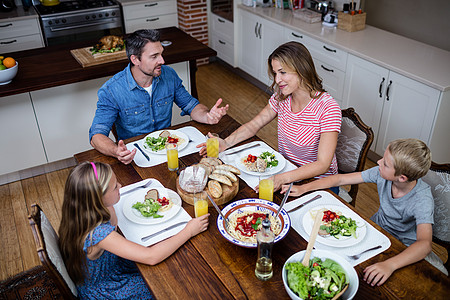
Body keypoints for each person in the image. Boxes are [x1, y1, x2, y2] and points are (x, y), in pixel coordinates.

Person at [281, 138, 433, 286]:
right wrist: (303, 188)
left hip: (402, 247)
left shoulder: (422, 199)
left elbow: (424, 244)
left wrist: (390, 265)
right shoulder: (382, 173)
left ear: (402, 178)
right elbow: (340, 180)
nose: (378, 162)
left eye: (385, 163)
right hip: (376, 231)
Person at [199, 41, 341, 192]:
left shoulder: (328, 108)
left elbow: (323, 164)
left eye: (283, 72)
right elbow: (254, 125)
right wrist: (226, 143)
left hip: (319, 185)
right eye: (275, 73)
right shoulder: (282, 97)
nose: (277, 80)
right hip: (287, 174)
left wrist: (282, 178)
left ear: (301, 69)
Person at [58, 161, 209, 299]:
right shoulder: (99, 234)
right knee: (164, 286)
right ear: (98, 198)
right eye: (114, 187)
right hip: (106, 287)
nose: (120, 186)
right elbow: (151, 257)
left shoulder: (80, 212)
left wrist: (108, 201)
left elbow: (114, 220)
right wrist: (189, 231)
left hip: (108, 268)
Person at [89, 29, 229, 165]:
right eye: (154, 56)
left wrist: (207, 116)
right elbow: (97, 136)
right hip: (136, 157)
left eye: (161, 54)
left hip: (171, 150)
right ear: (135, 59)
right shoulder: (111, 90)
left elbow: (191, 105)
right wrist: (116, 151)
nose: (162, 60)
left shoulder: (169, 75)